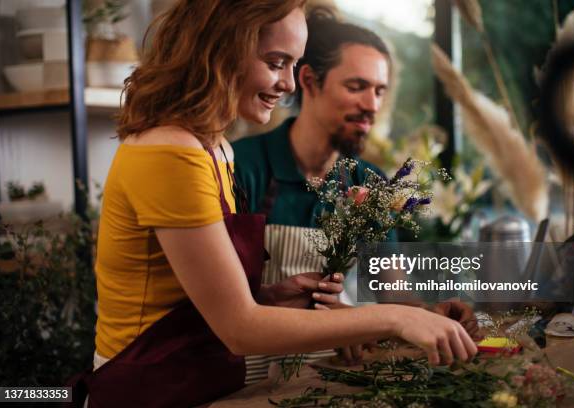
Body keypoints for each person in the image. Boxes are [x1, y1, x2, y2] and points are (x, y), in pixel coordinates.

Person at [71, 1, 477, 407]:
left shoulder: (215, 150)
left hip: (199, 380)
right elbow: (239, 328)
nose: (288, 84)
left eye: (291, 64)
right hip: (148, 391)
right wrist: (395, 318)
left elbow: (188, 302)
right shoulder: (171, 152)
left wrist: (268, 297)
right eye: (276, 62)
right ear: (220, 51)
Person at [232, 9, 479, 382]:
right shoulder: (244, 166)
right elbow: (221, 302)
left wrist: (431, 312)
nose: (372, 105)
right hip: (242, 373)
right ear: (310, 81)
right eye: (356, 87)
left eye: (379, 90)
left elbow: (392, 294)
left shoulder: (368, 183)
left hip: (325, 374)